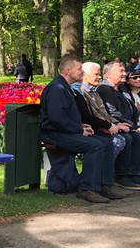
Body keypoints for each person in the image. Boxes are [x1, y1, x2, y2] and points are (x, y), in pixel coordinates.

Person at [40, 56, 116, 203]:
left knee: (106, 143)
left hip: (64, 131)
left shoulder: (65, 88)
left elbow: (64, 117)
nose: (82, 72)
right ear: (68, 71)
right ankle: (87, 189)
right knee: (95, 145)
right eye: (79, 69)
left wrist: (80, 126)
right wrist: (78, 130)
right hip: (53, 134)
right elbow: (57, 119)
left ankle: (103, 185)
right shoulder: (57, 88)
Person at [93, 61, 140, 189]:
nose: (125, 74)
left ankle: (134, 173)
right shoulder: (104, 89)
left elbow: (132, 110)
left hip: (126, 124)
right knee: (129, 137)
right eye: (121, 71)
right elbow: (111, 112)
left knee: (136, 137)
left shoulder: (122, 90)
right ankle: (121, 175)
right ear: (109, 74)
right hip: (111, 125)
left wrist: (135, 125)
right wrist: (132, 127)